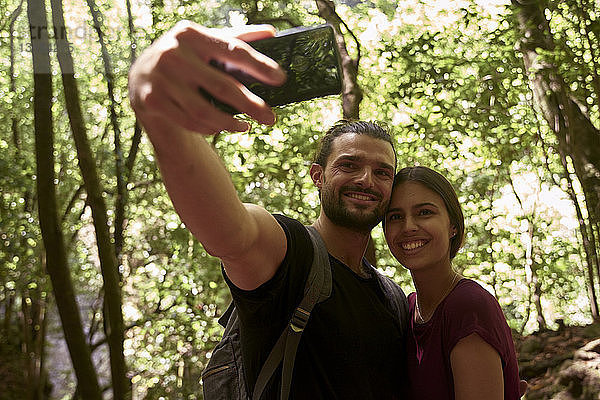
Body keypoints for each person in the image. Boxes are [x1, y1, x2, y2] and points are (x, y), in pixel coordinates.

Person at [128, 21, 409, 398]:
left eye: (382, 172)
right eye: (349, 166)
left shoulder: (392, 297)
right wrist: (163, 114)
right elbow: (232, 233)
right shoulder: (289, 254)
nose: (366, 180)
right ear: (317, 176)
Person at [383, 166, 521, 399]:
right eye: (395, 217)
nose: (408, 227)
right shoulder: (406, 309)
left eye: (424, 213)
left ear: (453, 226)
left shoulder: (468, 307)